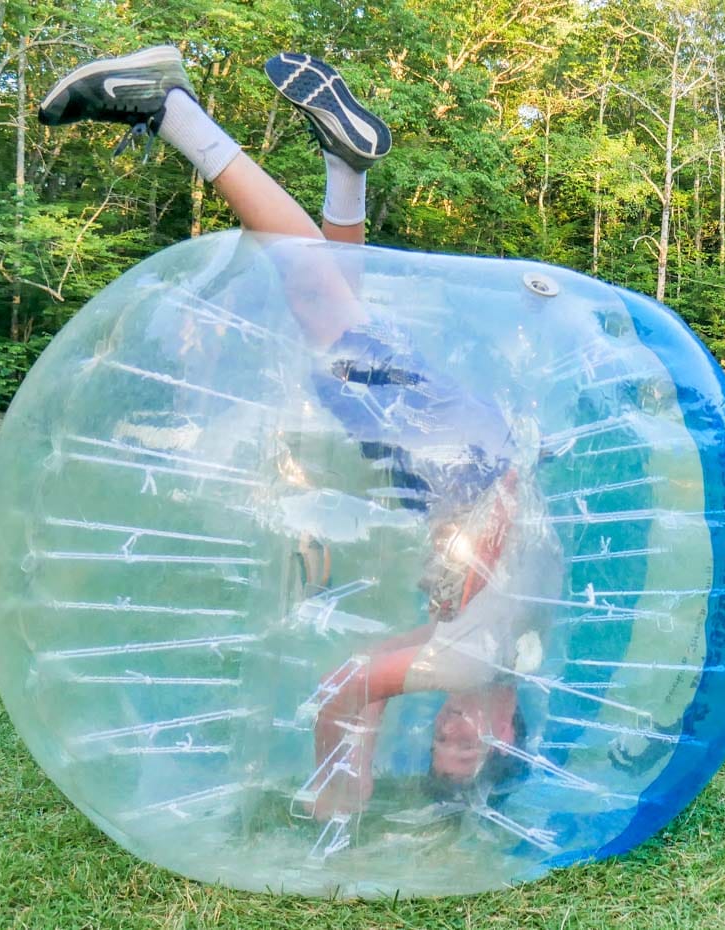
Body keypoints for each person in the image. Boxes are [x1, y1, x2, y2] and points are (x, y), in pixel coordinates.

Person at [38, 46, 531, 818]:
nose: (452, 730)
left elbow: (371, 660)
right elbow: (348, 684)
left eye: (442, 742)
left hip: (454, 462)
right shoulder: (475, 658)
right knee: (319, 313)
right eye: (471, 745)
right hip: (457, 465)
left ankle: (347, 164)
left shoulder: (477, 651)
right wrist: (340, 798)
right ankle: (169, 108)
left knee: (332, 312)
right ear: (511, 727)